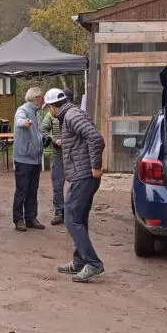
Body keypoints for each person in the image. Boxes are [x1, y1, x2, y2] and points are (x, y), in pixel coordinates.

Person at [44, 88, 106, 283]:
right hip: (81, 175)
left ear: (53, 107)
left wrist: (96, 166)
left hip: (84, 175)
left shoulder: (71, 115)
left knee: (71, 219)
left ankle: (93, 263)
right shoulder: (70, 114)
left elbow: (95, 138)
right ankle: (79, 261)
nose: (49, 111)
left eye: (49, 108)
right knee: (79, 218)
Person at [11, 87, 46, 231]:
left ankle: (31, 218)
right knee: (22, 190)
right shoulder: (23, 110)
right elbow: (19, 120)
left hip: (36, 158)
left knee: (33, 190)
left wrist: (45, 139)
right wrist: (23, 122)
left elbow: (39, 132)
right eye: (41, 97)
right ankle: (18, 219)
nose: (43, 100)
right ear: (35, 98)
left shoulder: (37, 113)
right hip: (24, 159)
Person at [42, 87, 73, 226]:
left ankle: (73, 212)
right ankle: (59, 212)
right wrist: (54, 139)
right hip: (57, 154)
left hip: (73, 154)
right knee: (58, 184)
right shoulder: (50, 116)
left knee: (75, 184)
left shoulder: (74, 114)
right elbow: (42, 130)